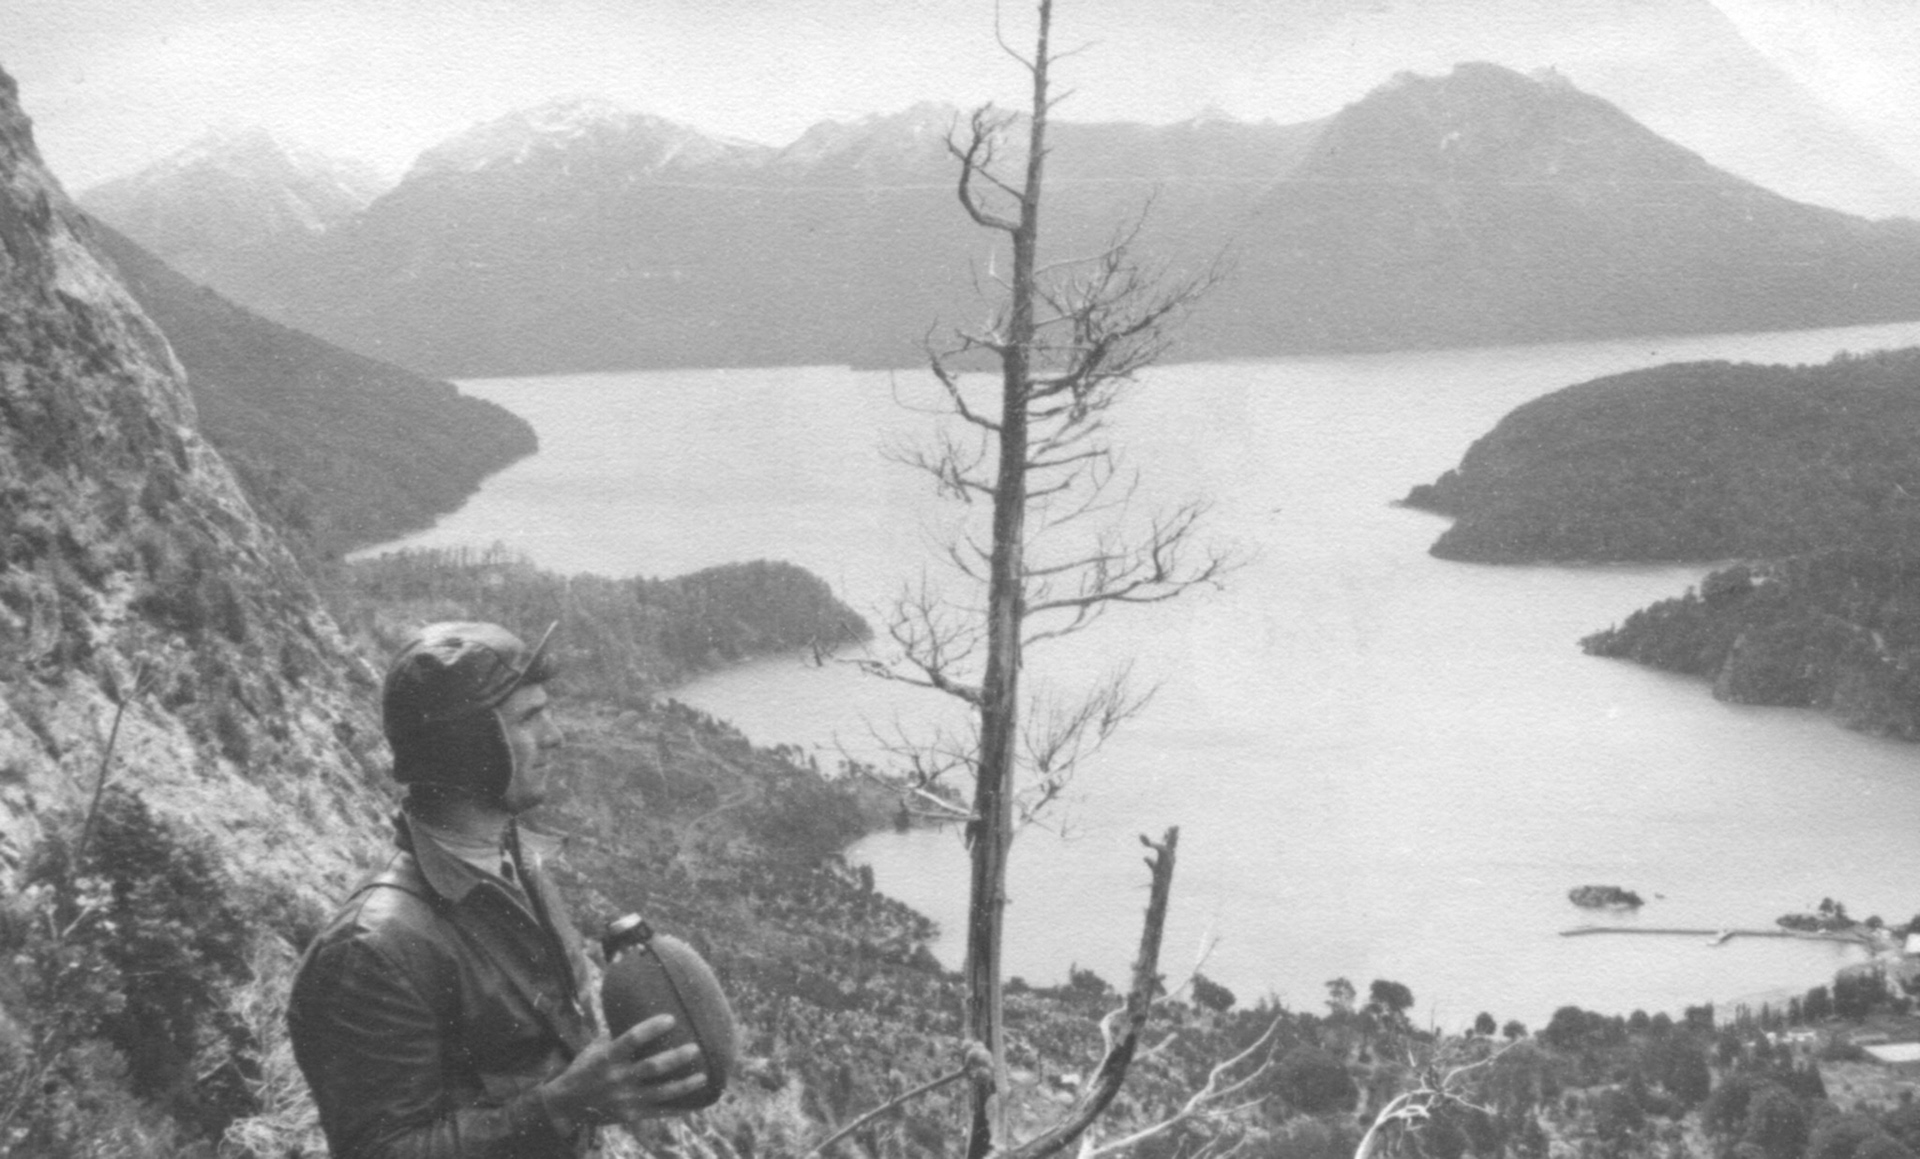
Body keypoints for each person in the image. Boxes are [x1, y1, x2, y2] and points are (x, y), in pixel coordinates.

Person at [289, 621, 705, 1157]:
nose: (555, 736)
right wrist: (560, 1106)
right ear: (467, 745)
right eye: (530, 718)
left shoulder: (520, 866)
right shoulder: (373, 949)